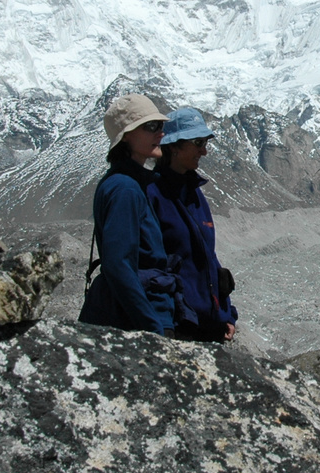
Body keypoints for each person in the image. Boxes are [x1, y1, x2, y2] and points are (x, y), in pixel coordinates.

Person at [77, 93, 185, 334]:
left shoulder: (127, 183)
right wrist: (151, 327)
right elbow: (119, 265)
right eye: (151, 126)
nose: (161, 133)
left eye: (161, 126)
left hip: (133, 316)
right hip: (134, 321)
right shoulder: (125, 189)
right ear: (126, 136)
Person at [147, 107, 239, 342]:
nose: (204, 151)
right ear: (174, 146)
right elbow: (150, 266)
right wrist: (164, 325)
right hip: (178, 326)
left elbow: (207, 257)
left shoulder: (194, 193)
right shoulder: (152, 195)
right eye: (198, 142)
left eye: (205, 142)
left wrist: (226, 313)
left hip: (206, 324)